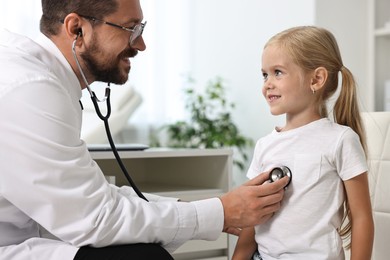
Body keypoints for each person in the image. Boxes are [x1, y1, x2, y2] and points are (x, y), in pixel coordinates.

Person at [0, 0, 290, 259]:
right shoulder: (30, 90)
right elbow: (96, 218)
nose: (140, 44)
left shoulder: (42, 81)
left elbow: (94, 197)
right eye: (130, 28)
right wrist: (221, 211)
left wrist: (213, 209)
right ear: (77, 29)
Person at [232, 26, 374, 260]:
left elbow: (362, 219)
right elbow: (252, 217)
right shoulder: (264, 145)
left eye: (278, 72)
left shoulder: (340, 140)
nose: (268, 83)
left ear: (316, 79)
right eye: (264, 74)